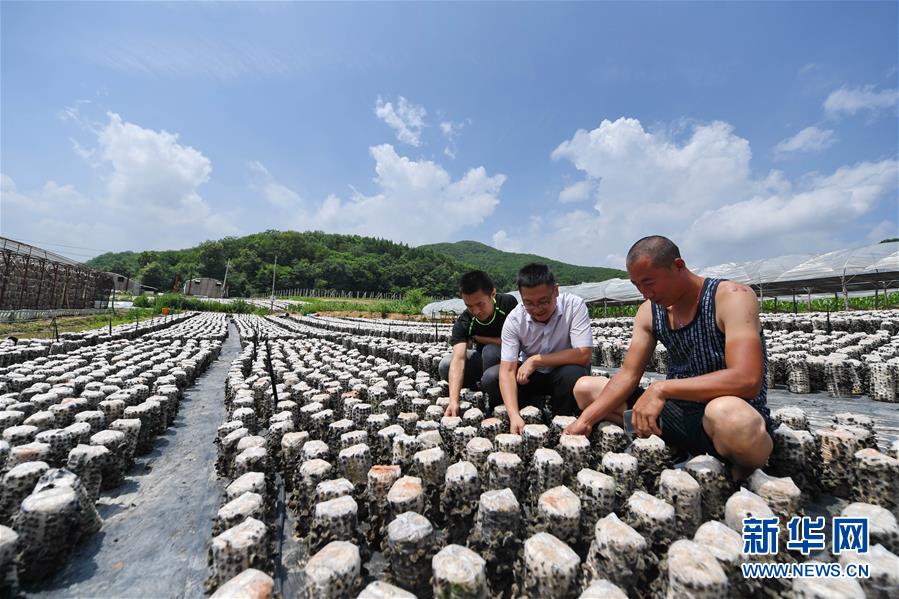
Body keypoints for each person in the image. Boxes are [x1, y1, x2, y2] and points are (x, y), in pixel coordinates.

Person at [564, 235, 774, 478]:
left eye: (649, 282)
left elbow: (747, 380)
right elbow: (629, 374)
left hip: (721, 414)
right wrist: (585, 421)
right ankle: (669, 441)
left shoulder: (731, 297)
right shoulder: (649, 312)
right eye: (637, 285)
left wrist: (661, 389)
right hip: (674, 415)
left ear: (678, 266)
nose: (646, 293)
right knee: (585, 389)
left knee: (731, 416)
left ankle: (742, 468)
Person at [483, 263, 592, 434]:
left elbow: (584, 354)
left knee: (572, 373)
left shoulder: (575, 306)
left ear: (556, 290)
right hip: (531, 377)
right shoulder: (514, 320)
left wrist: (536, 360)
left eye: (543, 301)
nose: (537, 309)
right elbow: (507, 370)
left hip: (562, 375)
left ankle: (562, 426)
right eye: (529, 303)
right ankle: (524, 419)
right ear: (521, 297)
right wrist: (513, 415)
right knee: (491, 378)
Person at [439, 271, 518, 417]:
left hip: (507, 362)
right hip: (481, 361)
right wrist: (454, 401)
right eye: (469, 306)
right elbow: (458, 358)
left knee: (490, 351)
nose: (475, 311)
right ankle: (478, 394)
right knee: (446, 364)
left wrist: (481, 339)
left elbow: (519, 341)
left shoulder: (507, 304)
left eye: (480, 304)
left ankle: (494, 402)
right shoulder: (464, 321)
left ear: (493, 294)